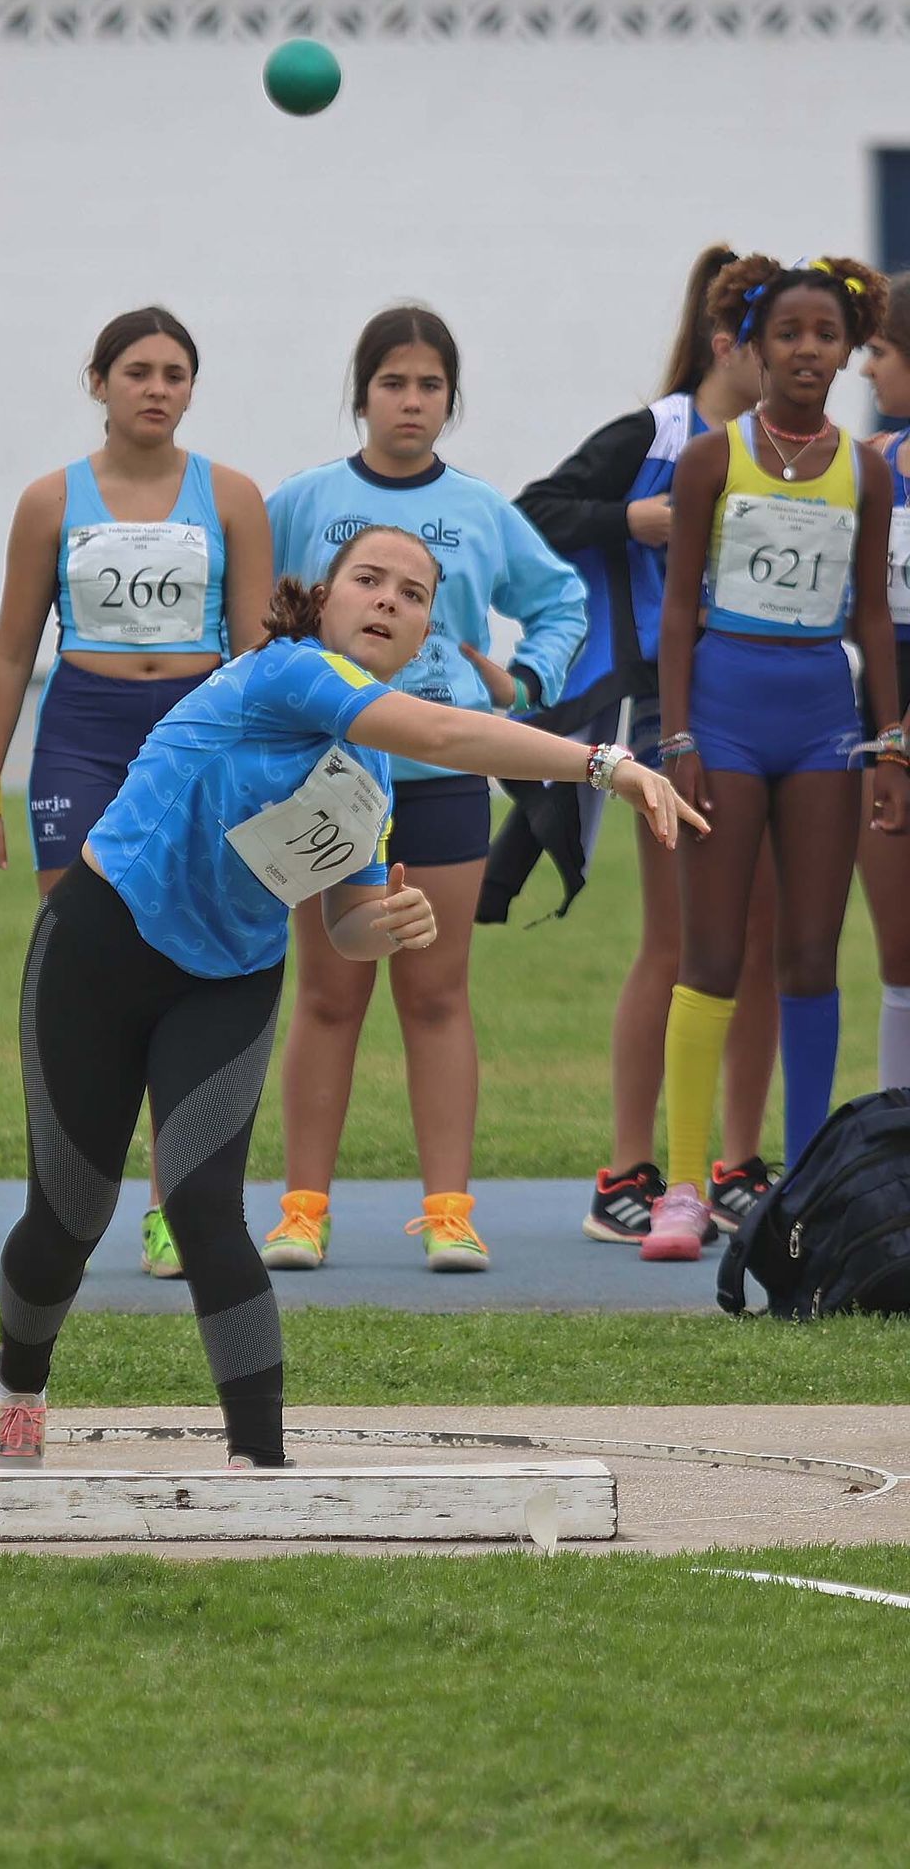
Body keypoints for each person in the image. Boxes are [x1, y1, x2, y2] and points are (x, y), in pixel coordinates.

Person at [0, 525, 702, 1469]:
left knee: (206, 1209)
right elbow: (444, 730)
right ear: (323, 600)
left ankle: (261, 1463)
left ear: (425, 636)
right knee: (70, 1216)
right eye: (369, 579)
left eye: (413, 594)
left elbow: (344, 922)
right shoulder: (285, 671)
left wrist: (385, 922)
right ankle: (19, 1380)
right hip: (101, 946)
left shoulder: (365, 770)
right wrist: (607, 761)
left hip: (228, 979)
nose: (389, 600)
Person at [261, 306, 587, 1275]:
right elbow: (256, 604)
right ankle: (301, 1211)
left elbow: (559, 599)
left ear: (451, 398)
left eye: (429, 384)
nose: (411, 401)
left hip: (442, 784)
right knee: (326, 995)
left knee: (437, 996)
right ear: (359, 393)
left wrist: (526, 684)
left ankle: (449, 1212)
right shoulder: (305, 500)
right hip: (326, 781)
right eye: (392, 382)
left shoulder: (484, 511)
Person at [0, 306, 273, 1280]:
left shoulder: (232, 497)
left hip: (193, 735)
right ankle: (72, 1178)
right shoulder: (51, 501)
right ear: (97, 382)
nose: (156, 387)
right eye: (136, 370)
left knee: (188, 951)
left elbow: (260, 656)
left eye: (175, 372)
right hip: (84, 737)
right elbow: (13, 649)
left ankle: (173, 1195)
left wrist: (265, 775)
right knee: (85, 956)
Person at [485, 245, 780, 1245]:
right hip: (669, 703)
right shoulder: (656, 433)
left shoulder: (792, 445)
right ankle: (627, 1169)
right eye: (771, 337)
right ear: (723, 340)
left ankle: (741, 1164)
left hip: (771, 699)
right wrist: (634, 517)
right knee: (678, 940)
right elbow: (535, 508)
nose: (791, 356)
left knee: (762, 946)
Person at [654, 254, 907, 1262]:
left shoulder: (867, 468)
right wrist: (673, 736)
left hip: (819, 719)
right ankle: (682, 1185)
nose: (809, 350)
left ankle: (802, 1183)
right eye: (789, 333)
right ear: (751, 346)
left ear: (848, 350)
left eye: (827, 335)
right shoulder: (710, 459)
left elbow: (872, 620)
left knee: (811, 954)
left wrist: (888, 741)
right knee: (711, 952)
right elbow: (677, 609)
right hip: (720, 713)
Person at [859, 273, 910, 1089]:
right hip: (883, 739)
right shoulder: (867, 469)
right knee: (900, 958)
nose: (865, 368)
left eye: (879, 349)